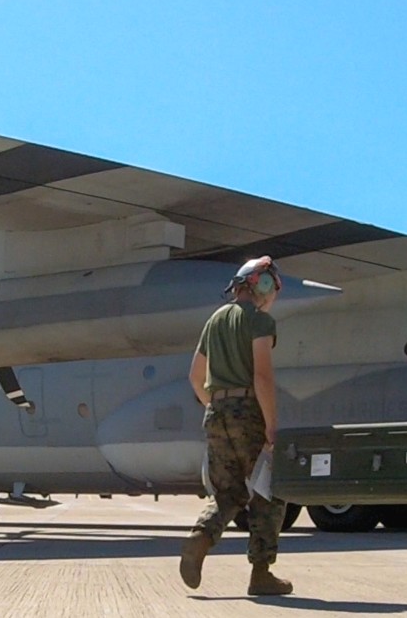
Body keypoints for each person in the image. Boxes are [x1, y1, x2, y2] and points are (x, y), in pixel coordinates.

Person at [178, 256, 291, 597]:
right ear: (258, 284)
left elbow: (196, 377)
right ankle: (261, 574)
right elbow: (262, 376)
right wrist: (271, 425)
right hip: (248, 411)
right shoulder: (259, 321)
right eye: (270, 284)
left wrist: (216, 405)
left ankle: (201, 538)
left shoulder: (214, 320)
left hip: (216, 413)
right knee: (267, 491)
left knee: (227, 492)